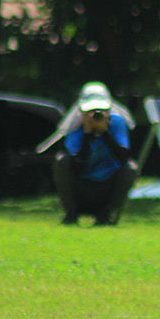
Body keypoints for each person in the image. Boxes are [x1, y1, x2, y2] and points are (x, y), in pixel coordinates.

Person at [52, 81, 137, 226]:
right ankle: (71, 214)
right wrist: (87, 134)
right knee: (62, 161)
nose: (96, 114)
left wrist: (104, 132)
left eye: (101, 109)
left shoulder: (116, 123)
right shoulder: (76, 127)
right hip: (81, 189)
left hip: (107, 188)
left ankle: (106, 215)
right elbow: (77, 165)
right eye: (90, 110)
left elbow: (123, 157)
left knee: (130, 168)